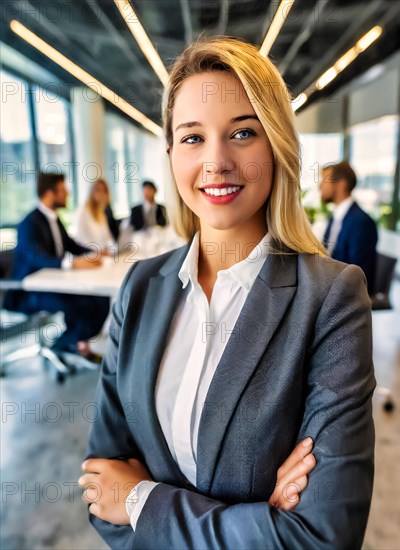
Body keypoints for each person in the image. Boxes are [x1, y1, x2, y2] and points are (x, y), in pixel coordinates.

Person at [80, 38, 375, 549]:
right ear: (171, 154)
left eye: (242, 132)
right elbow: (98, 486)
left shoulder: (330, 298)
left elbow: (320, 538)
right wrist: (257, 521)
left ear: (278, 145)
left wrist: (140, 502)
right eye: (192, 138)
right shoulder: (141, 286)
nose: (216, 162)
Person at [9, 172, 110, 356]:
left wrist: (94, 253)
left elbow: (70, 244)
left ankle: (72, 342)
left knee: (100, 298)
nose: (68, 194)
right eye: (63, 190)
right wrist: (72, 264)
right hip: (30, 290)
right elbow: (36, 258)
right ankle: (62, 345)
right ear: (50, 193)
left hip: (54, 284)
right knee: (80, 305)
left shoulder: (54, 218)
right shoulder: (29, 223)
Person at [320, 161, 378, 293]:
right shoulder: (335, 217)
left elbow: (355, 274)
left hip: (347, 296)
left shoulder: (361, 222)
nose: (320, 185)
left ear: (341, 184)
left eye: (325, 180)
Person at [75, 178, 117, 253]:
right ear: (92, 192)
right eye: (98, 190)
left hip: (103, 256)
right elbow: (80, 240)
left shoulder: (102, 214)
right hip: (88, 256)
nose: (101, 194)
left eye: (104, 191)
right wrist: (99, 251)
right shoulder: (83, 211)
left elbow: (109, 239)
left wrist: (110, 250)